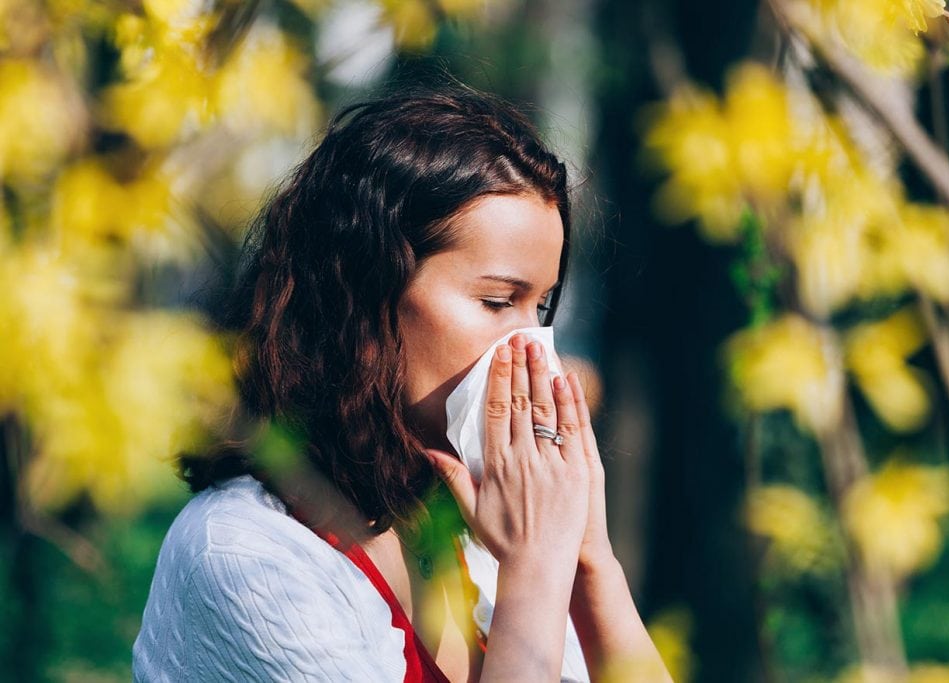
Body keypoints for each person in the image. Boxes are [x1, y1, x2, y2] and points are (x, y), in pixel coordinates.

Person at [132, 75, 672, 682]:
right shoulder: (247, 555)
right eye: (498, 302)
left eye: (540, 308)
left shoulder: (476, 525)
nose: (535, 354)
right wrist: (536, 567)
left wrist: (587, 557)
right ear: (363, 296)